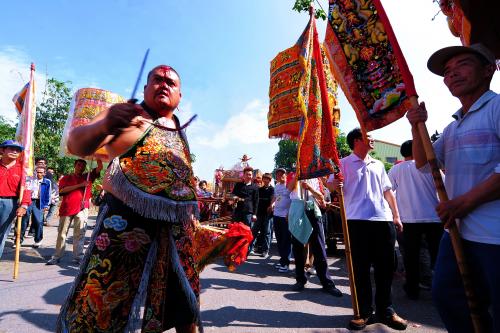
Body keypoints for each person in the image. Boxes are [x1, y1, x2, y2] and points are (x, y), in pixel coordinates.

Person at [56, 65, 251, 333]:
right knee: (107, 309)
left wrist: (210, 234)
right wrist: (104, 125)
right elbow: (76, 144)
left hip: (176, 236)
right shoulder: (127, 116)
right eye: (157, 80)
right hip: (126, 228)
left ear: (179, 96)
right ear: (146, 88)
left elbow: (179, 193)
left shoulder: (179, 131)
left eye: (171, 82)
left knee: (186, 306)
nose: (164, 85)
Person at [406, 43, 499, 333]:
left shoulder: (497, 108)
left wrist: (465, 202)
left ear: (488, 70)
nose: (452, 75)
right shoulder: (453, 126)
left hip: (494, 235)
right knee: (448, 298)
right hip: (458, 232)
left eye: (462, 65)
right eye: (447, 72)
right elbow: (423, 161)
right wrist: (416, 126)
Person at [327, 128, 407, 331]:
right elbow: (331, 186)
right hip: (356, 221)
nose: (372, 139)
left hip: (383, 220)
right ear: (356, 141)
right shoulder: (342, 163)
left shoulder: (378, 164)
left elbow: (388, 192)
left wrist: (396, 216)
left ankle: (386, 310)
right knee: (360, 269)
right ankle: (363, 312)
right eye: (367, 136)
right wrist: (336, 183)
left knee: (386, 268)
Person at [387, 140, 443, 300]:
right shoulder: (430, 166)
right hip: (434, 218)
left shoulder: (396, 169)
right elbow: (444, 186)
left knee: (411, 257)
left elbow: (388, 191)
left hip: (409, 220)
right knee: (437, 256)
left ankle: (412, 289)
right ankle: (441, 289)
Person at [288, 174, 343, 298]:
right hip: (297, 209)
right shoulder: (294, 174)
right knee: (297, 247)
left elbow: (321, 196)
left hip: (313, 209)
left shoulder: (317, 177)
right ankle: (300, 279)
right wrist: (297, 175)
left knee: (319, 247)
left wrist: (311, 190)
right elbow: (289, 188)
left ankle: (327, 283)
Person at [46, 158, 102, 265]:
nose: (81, 167)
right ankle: (57, 256)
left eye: (83, 165)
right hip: (67, 208)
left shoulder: (89, 176)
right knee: (62, 233)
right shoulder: (66, 178)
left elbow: (99, 168)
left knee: (80, 233)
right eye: (79, 165)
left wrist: (97, 155)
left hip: (82, 209)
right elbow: (62, 191)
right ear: (75, 165)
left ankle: (78, 256)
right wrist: (80, 185)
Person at [0, 140, 30, 259]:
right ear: (2, 150)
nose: (14, 151)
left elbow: (27, 189)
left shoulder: (23, 170)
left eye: (17, 150)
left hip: (10, 204)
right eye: (11, 148)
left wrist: (24, 206)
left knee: (2, 234)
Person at [18, 166, 51, 248]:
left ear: (44, 173)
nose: (39, 174)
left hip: (39, 202)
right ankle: (18, 240)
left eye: (41, 172)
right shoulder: (30, 180)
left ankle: (38, 240)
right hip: (28, 200)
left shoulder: (47, 182)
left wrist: (47, 204)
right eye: (37, 172)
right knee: (24, 220)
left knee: (39, 221)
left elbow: (48, 194)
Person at [271, 168, 292, 272]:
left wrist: (289, 213)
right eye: (278, 174)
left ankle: (286, 263)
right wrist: (272, 204)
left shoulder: (290, 185)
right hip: (276, 215)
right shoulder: (277, 186)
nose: (281, 176)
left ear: (286, 175)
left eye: (282, 174)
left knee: (286, 240)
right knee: (279, 239)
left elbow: (293, 199)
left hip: (286, 216)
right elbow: (276, 197)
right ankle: (282, 260)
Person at [249, 172, 274, 257]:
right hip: (259, 213)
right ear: (263, 180)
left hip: (268, 214)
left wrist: (271, 206)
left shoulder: (272, 189)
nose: (266, 180)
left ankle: (265, 250)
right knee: (254, 231)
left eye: (268, 179)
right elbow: (256, 201)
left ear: (270, 180)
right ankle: (250, 248)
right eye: (265, 179)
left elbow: (273, 200)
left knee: (267, 232)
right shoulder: (259, 189)